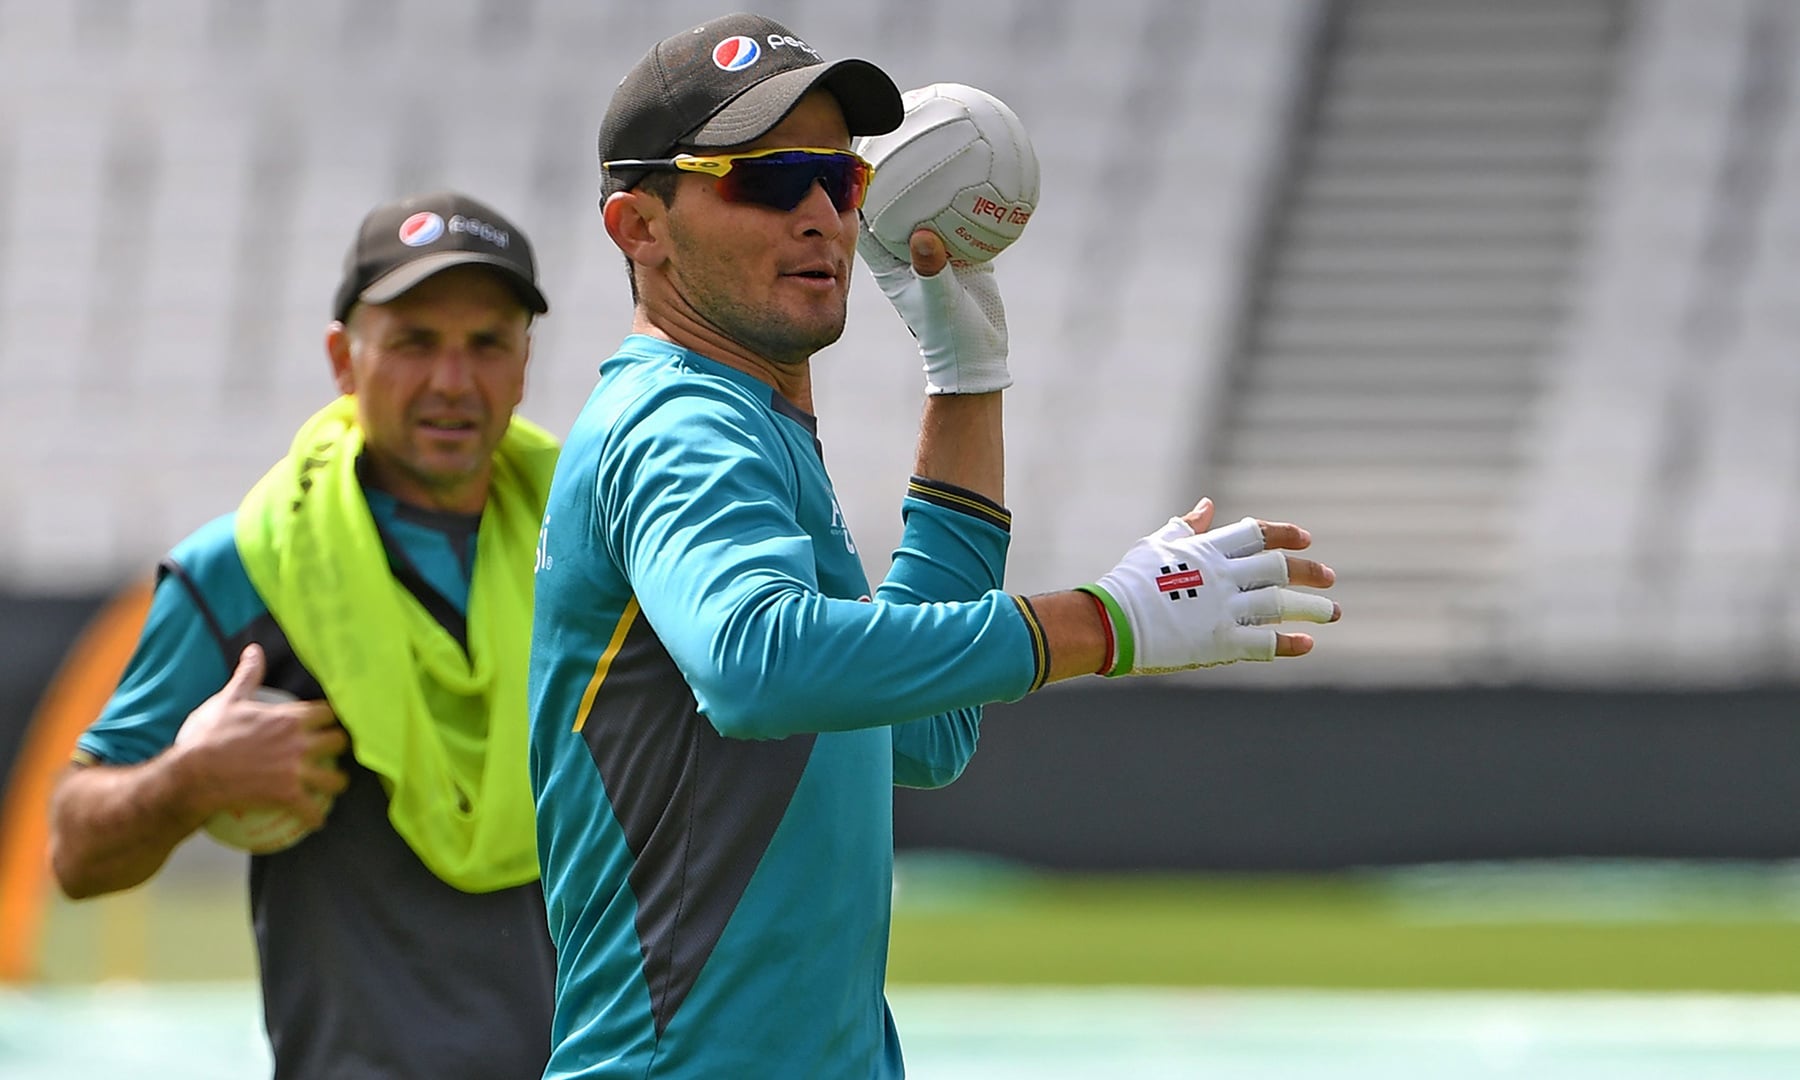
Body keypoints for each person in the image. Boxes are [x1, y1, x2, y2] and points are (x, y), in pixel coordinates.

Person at [528, 12, 1341, 1078]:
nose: (819, 211)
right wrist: (1103, 623)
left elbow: (925, 729)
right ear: (639, 227)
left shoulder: (748, 420)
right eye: (765, 180)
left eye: (839, 177)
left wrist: (966, 385)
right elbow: (760, 666)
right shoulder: (683, 425)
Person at [48, 191, 560, 1078]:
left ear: (523, 362)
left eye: (486, 342)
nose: (452, 380)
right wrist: (189, 781)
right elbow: (75, 850)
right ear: (343, 358)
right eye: (413, 342)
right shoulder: (245, 567)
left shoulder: (600, 545)